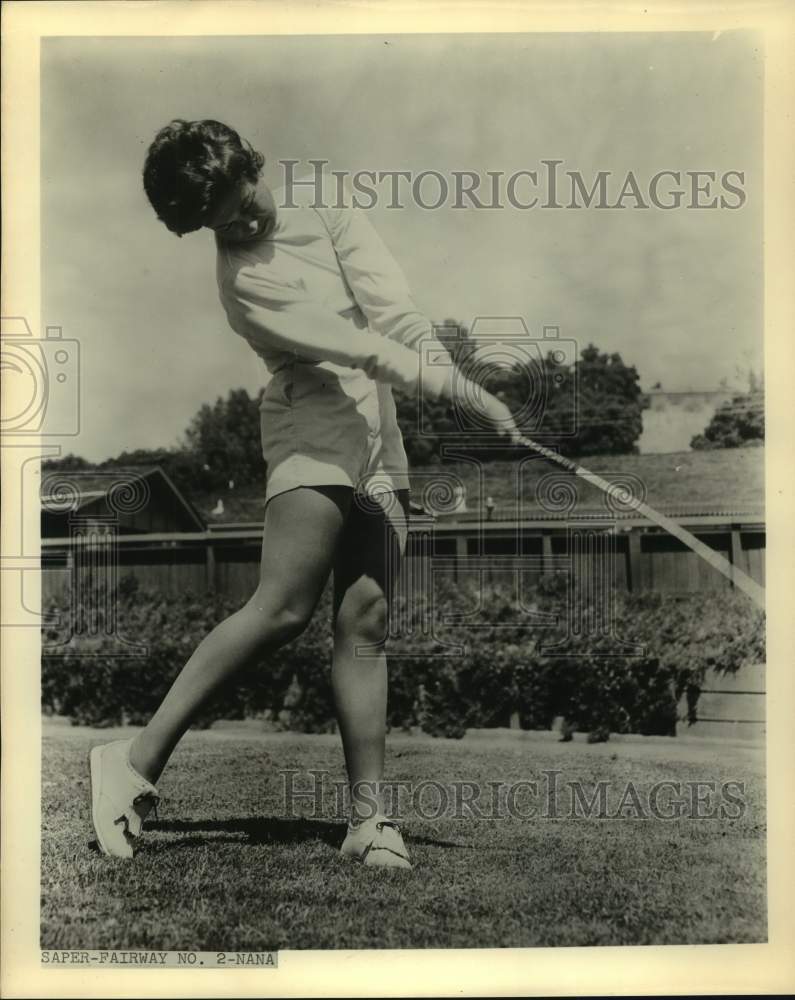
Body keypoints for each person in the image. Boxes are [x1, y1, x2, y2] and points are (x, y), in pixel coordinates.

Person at [89, 119, 519, 868]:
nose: (244, 223)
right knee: (283, 607)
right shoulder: (242, 281)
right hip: (308, 422)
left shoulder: (325, 205)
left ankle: (368, 821)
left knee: (367, 620)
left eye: (244, 201)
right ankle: (130, 763)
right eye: (222, 223)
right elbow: (352, 345)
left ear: (254, 167)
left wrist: (460, 385)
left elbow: (393, 314)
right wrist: (457, 389)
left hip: (378, 429)